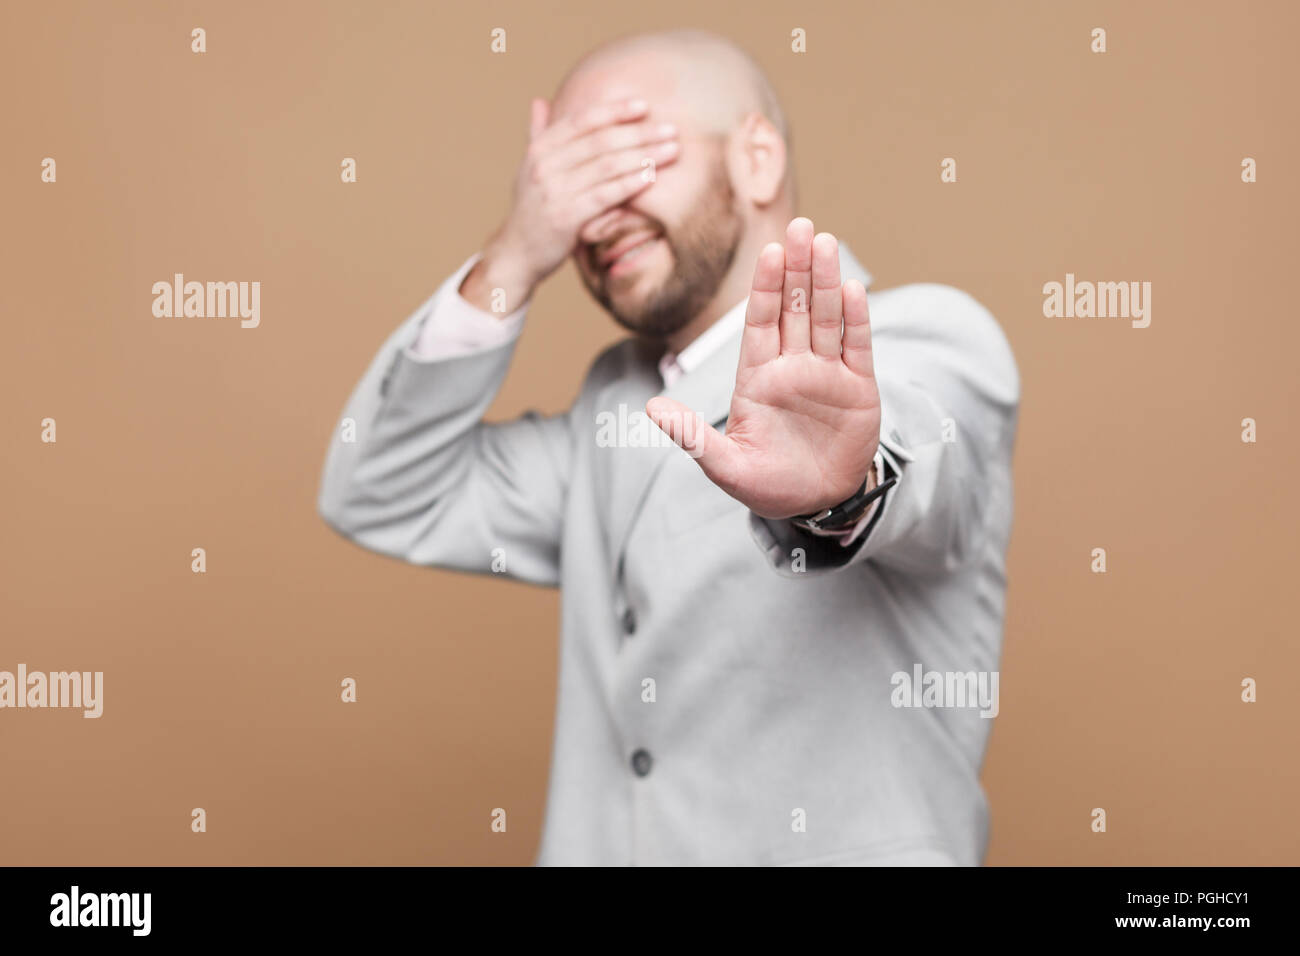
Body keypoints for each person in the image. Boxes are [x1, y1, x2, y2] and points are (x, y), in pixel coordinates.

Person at [318, 29, 1019, 866]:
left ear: (757, 158)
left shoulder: (930, 340)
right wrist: (514, 251)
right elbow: (380, 488)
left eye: (624, 155)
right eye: (566, 181)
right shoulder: (612, 412)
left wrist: (839, 490)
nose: (593, 214)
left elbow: (922, 469)